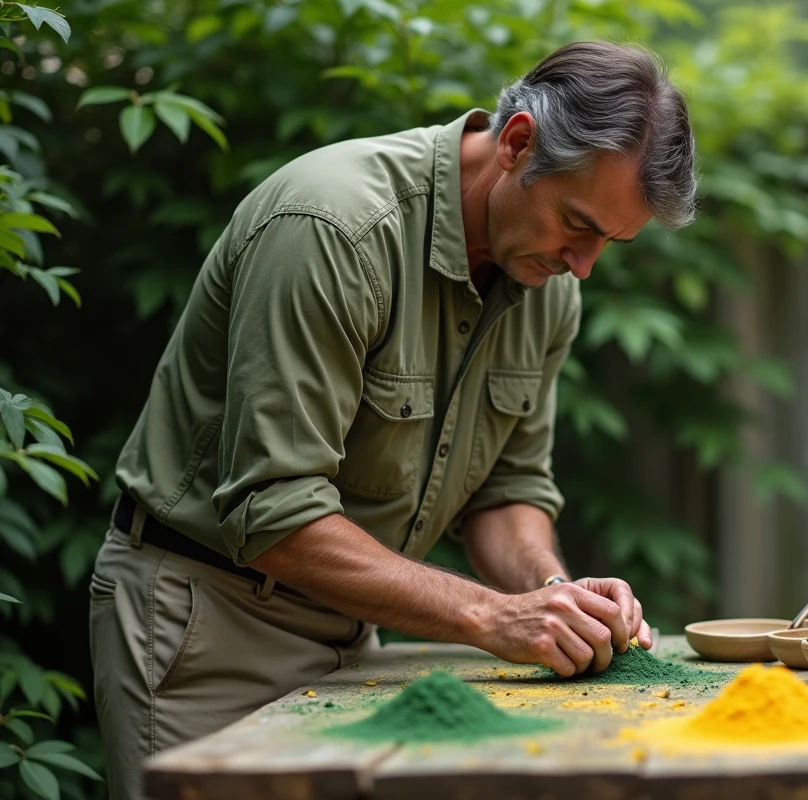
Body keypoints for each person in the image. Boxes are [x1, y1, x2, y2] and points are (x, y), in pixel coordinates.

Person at [87, 39, 698, 798]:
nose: (585, 265)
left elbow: (506, 491)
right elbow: (272, 513)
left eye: (611, 240)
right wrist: (492, 615)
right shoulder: (335, 226)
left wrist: (554, 599)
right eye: (577, 224)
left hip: (357, 634)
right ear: (516, 144)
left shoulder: (546, 285)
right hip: (208, 628)